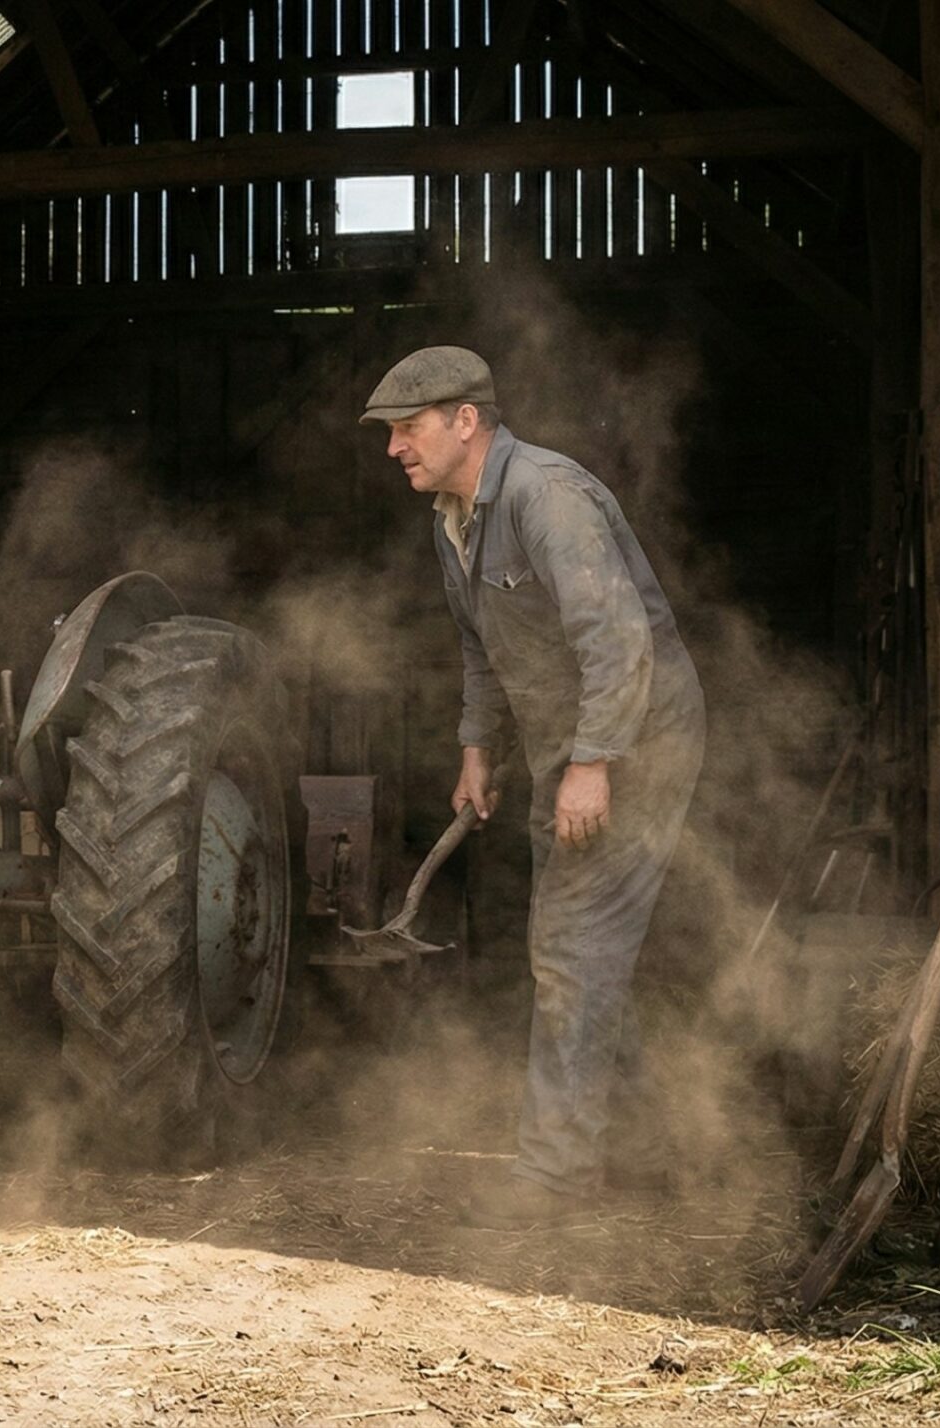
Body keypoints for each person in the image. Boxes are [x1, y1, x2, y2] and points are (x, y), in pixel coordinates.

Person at [362, 346, 706, 1229]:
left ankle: (559, 1175)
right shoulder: (453, 517)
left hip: (635, 741)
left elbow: (618, 642)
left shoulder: (545, 497)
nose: (394, 448)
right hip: (568, 744)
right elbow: (483, 647)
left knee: (571, 941)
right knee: (577, 943)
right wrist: (477, 749)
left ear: (464, 421)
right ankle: (651, 1142)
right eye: (391, 433)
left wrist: (593, 765)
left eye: (407, 429)